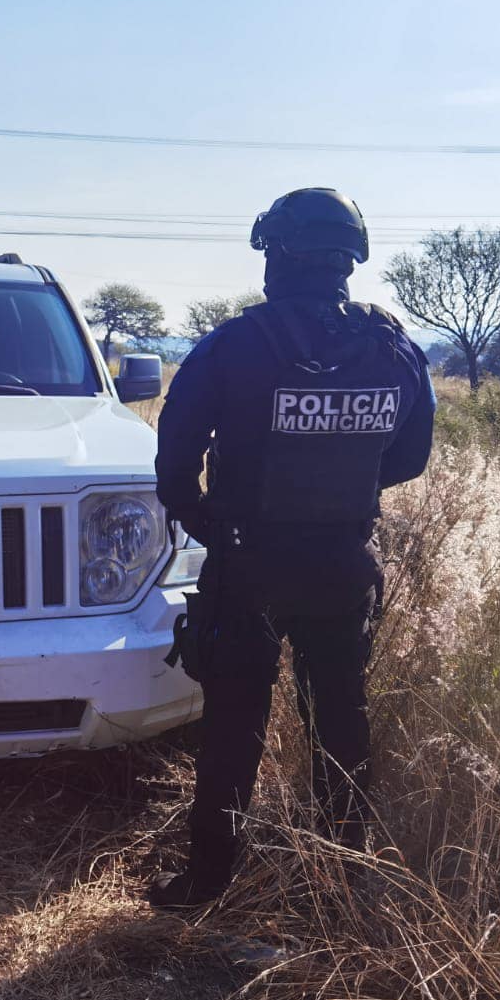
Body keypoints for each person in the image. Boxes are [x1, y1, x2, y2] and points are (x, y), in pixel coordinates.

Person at [149, 187, 436, 909]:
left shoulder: (232, 346)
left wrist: (219, 530)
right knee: (341, 713)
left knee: (234, 723)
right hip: (344, 560)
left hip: (248, 563)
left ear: (275, 254)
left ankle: (207, 882)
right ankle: (345, 874)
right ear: (350, 258)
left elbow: (174, 465)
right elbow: (407, 460)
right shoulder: (394, 347)